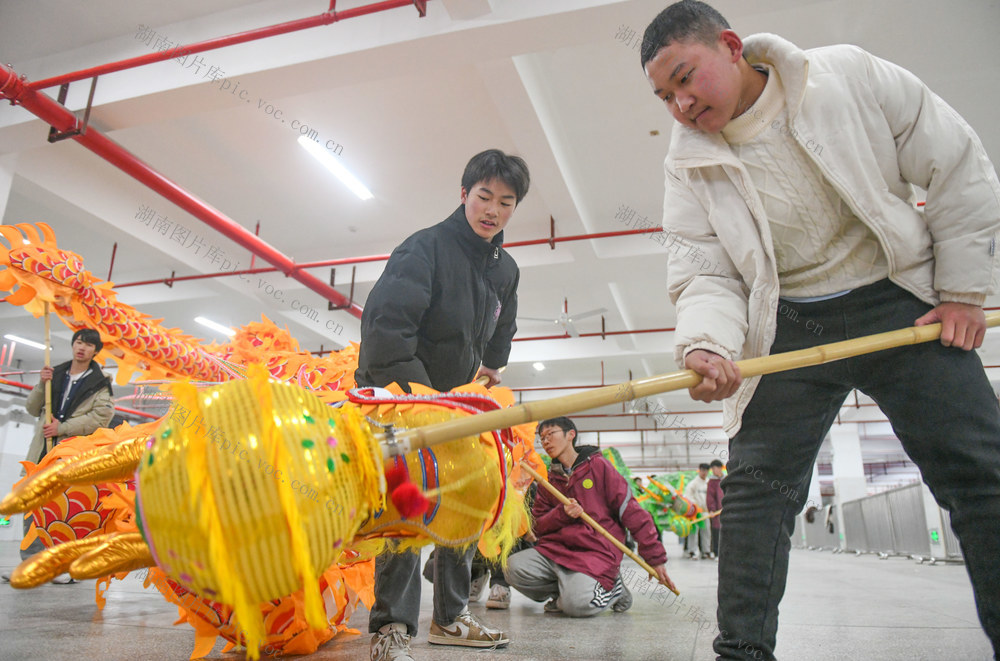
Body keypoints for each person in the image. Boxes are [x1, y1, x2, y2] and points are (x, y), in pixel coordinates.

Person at [640, 2, 1000, 658]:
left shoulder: (846, 77)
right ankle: (742, 653)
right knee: (754, 493)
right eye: (666, 96)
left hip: (900, 299)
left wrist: (963, 292)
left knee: (983, 471)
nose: (681, 105)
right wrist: (707, 343)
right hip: (788, 324)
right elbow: (703, 268)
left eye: (688, 79)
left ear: (730, 45)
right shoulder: (685, 163)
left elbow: (956, 160)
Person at [356, 149, 530, 661]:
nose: (492, 210)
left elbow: (503, 327)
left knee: (467, 503)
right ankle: (392, 628)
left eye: (505, 202)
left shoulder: (506, 268)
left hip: (459, 406)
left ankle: (451, 618)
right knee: (405, 512)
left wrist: (490, 372)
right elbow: (386, 328)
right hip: (401, 400)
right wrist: (419, 398)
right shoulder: (425, 248)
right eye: (483, 197)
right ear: (463, 194)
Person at [504, 417, 676, 616]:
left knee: (577, 606)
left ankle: (613, 590)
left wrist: (654, 557)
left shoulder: (599, 467)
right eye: (541, 438)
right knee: (512, 568)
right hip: (556, 551)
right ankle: (564, 596)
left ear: (571, 435)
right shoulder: (547, 479)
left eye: (551, 434)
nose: (545, 442)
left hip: (595, 553)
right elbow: (538, 527)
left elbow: (631, 511)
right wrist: (562, 514)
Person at [2, 328, 114, 584]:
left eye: (88, 344)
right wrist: (42, 384)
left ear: (95, 351)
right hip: (41, 452)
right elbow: (31, 408)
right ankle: (30, 564)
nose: (81, 347)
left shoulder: (100, 382)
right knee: (32, 505)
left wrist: (62, 428)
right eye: (78, 342)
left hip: (71, 454)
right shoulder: (55, 375)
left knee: (64, 509)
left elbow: (101, 418)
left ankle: (63, 566)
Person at [683, 463, 711, 558]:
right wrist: (695, 507)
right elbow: (688, 497)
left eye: (706, 471)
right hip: (695, 512)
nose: (704, 473)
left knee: (706, 530)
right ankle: (692, 551)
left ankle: (706, 551)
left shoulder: (708, 483)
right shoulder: (693, 484)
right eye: (703, 470)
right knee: (693, 531)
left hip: (705, 511)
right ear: (699, 470)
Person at [705, 459, 724, 558]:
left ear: (720, 468)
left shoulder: (726, 479)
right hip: (716, 512)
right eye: (712, 469)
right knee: (716, 531)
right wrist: (712, 510)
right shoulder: (712, 482)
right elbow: (710, 497)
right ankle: (716, 552)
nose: (713, 471)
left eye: (715, 468)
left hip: (726, 510)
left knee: (725, 531)